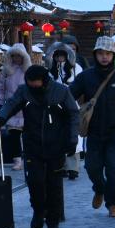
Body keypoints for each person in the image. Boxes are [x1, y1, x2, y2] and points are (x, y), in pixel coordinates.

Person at [0, 64, 78, 228]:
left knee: (54, 185)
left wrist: (72, 140)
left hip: (56, 145)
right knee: (35, 181)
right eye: (30, 83)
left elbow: (73, 115)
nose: (32, 87)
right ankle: (39, 211)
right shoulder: (24, 91)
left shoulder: (61, 91)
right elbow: (12, 104)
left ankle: (53, 222)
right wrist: (1, 119)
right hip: (33, 144)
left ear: (44, 81)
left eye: (35, 83)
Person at [70, 37, 115, 217]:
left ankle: (113, 203)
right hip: (93, 132)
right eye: (100, 53)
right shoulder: (86, 77)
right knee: (92, 167)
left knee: (113, 169)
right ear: (95, 55)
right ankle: (99, 189)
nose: (104, 57)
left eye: (108, 53)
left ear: (113, 55)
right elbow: (69, 96)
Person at [46, 41, 82, 179]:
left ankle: (73, 168)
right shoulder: (50, 71)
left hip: (73, 106)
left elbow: (81, 86)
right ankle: (61, 166)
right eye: (57, 56)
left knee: (74, 136)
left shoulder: (76, 68)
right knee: (58, 136)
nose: (60, 58)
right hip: (56, 108)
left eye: (62, 55)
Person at [0, 43, 31, 171]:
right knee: (14, 137)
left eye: (19, 56)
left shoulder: (29, 72)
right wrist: (0, 104)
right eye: (14, 56)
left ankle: (29, 159)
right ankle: (17, 160)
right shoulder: (6, 71)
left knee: (28, 136)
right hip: (11, 108)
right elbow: (1, 89)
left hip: (27, 109)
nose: (16, 58)